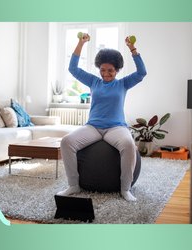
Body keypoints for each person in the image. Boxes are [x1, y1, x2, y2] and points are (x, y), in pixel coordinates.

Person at [57, 33, 147, 201]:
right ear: (99, 68)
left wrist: (132, 48)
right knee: (66, 142)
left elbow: (142, 72)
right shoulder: (93, 81)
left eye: (110, 70)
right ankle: (73, 185)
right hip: (93, 127)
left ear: (117, 70)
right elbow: (73, 69)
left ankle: (125, 189)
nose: (106, 74)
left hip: (116, 128)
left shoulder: (123, 83)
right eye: (103, 70)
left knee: (128, 144)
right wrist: (80, 43)